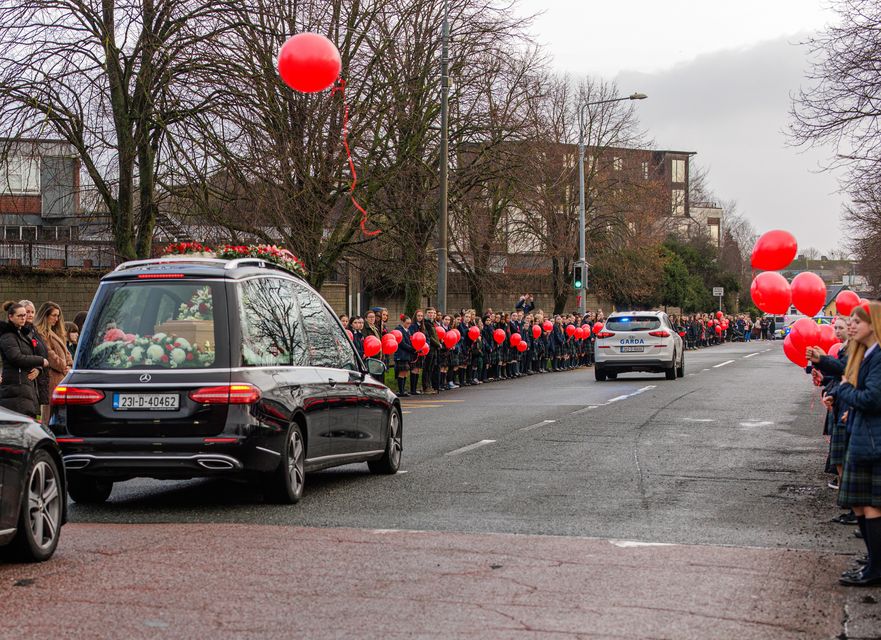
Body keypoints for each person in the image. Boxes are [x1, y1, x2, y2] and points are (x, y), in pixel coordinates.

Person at [834, 302, 881, 586]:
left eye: (857, 322)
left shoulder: (878, 357)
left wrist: (845, 390)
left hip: (874, 438)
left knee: (872, 507)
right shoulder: (868, 354)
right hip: (866, 435)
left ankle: (876, 568)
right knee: (863, 506)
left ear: (873, 324)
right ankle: (874, 563)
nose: (852, 326)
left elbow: (873, 398)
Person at [0, 301, 47, 418]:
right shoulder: (8, 336)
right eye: (19, 315)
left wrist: (38, 367)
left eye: (24, 315)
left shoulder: (23, 334)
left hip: (26, 385)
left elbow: (36, 353)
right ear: (10, 317)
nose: (23, 318)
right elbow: (16, 357)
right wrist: (40, 360)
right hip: (15, 387)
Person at [34, 302, 73, 421]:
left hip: (61, 376)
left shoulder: (55, 333)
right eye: (54, 315)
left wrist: (70, 365)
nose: (56, 319)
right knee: (49, 414)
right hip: (51, 378)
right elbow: (49, 354)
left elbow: (67, 352)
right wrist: (64, 366)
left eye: (58, 316)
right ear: (45, 316)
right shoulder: (41, 333)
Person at [19, 299, 49, 419]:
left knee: (34, 415)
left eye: (32, 312)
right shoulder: (18, 332)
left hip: (38, 378)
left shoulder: (34, 331)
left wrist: (39, 368)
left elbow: (43, 353)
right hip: (25, 378)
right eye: (27, 312)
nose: (30, 315)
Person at [393, 315, 415, 397]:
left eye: (410, 323)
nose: (409, 325)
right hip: (401, 354)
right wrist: (412, 349)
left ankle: (403, 389)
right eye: (407, 323)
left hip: (407, 354)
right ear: (403, 322)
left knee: (405, 372)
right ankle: (401, 390)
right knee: (402, 371)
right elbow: (402, 343)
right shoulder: (398, 330)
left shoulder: (408, 330)